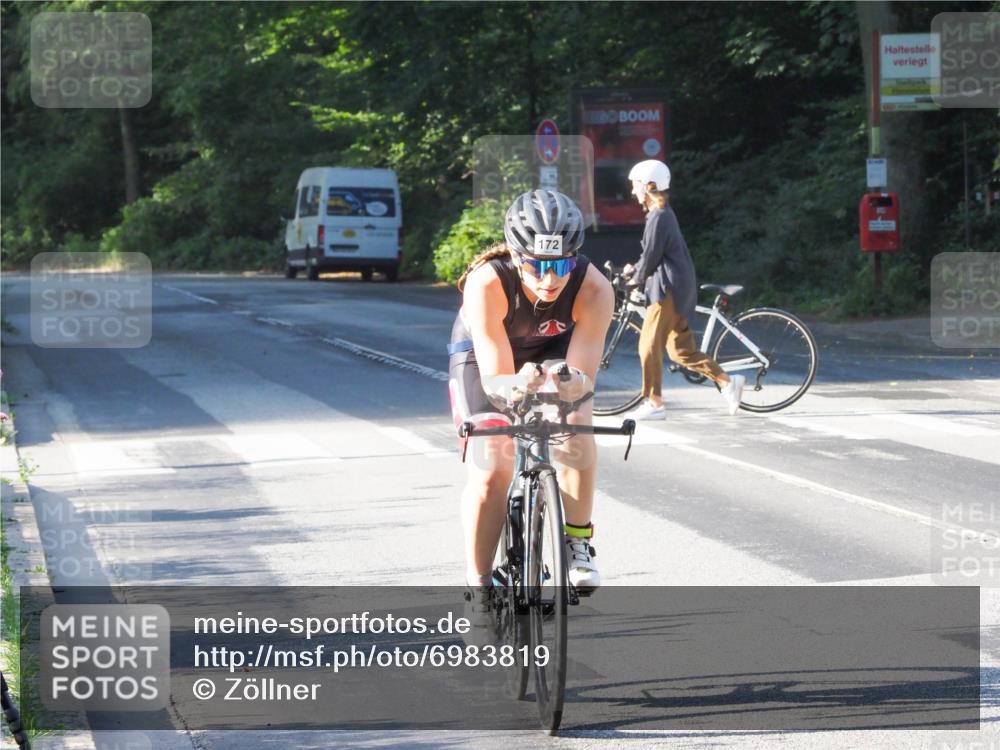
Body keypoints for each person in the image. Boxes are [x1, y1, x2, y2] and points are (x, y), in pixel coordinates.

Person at [448, 190, 614, 629]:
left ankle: (578, 542)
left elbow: (583, 377)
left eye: (560, 265)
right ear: (516, 255)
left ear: (574, 259)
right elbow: (495, 378)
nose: (549, 279)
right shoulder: (488, 282)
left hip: (556, 350)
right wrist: (517, 384)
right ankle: (480, 588)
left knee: (576, 420)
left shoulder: (594, 288)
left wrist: (571, 385)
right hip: (488, 357)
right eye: (537, 265)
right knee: (492, 466)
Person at [622, 159, 745, 420]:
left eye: (636, 186)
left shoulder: (659, 215)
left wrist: (635, 278)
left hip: (667, 290)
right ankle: (726, 381)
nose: (633, 192)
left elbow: (653, 256)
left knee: (647, 346)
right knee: (680, 351)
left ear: (649, 186)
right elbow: (652, 254)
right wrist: (636, 269)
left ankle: (654, 403)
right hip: (679, 286)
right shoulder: (662, 214)